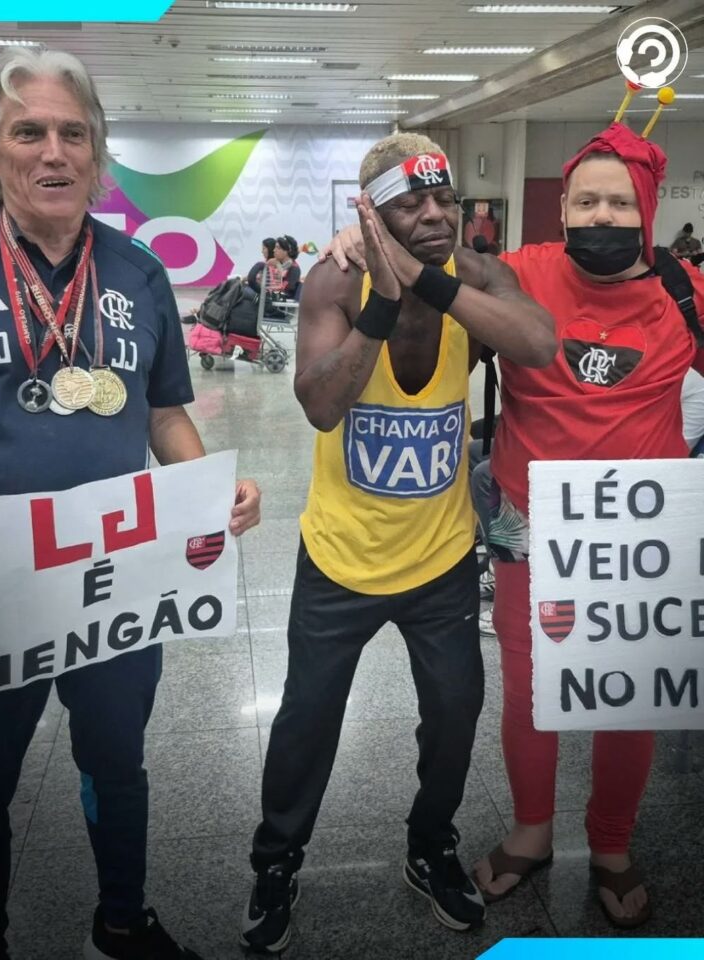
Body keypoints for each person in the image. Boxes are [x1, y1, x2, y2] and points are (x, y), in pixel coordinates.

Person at [327, 120, 704, 932]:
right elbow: (415, 259)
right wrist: (354, 240)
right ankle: (531, 830)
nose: (602, 217)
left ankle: (611, 843)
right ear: (562, 208)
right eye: (586, 202)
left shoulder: (685, 292)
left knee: (628, 698)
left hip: (640, 532)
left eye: (619, 203)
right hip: (526, 520)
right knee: (531, 686)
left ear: (647, 206)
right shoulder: (518, 272)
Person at [0, 47, 261, 960]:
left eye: (73, 133)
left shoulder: (137, 271)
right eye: (28, 132)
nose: (54, 152)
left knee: (118, 763)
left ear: (97, 152)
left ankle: (122, 921)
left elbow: (164, 411)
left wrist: (209, 489)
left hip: (113, 580)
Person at [239, 133, 556, 954]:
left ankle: (430, 844)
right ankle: (276, 859)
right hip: (340, 557)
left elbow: (538, 344)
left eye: (444, 199)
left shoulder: (476, 275)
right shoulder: (334, 280)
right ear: (372, 214)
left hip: (441, 558)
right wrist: (384, 301)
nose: (435, 215)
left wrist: (429, 282)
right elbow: (320, 406)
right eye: (411, 204)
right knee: (307, 719)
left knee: (455, 711)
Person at [273, 235, 301, 299]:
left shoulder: (294, 269)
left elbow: (285, 289)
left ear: (288, 250)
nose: (274, 250)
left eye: (278, 248)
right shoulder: (279, 266)